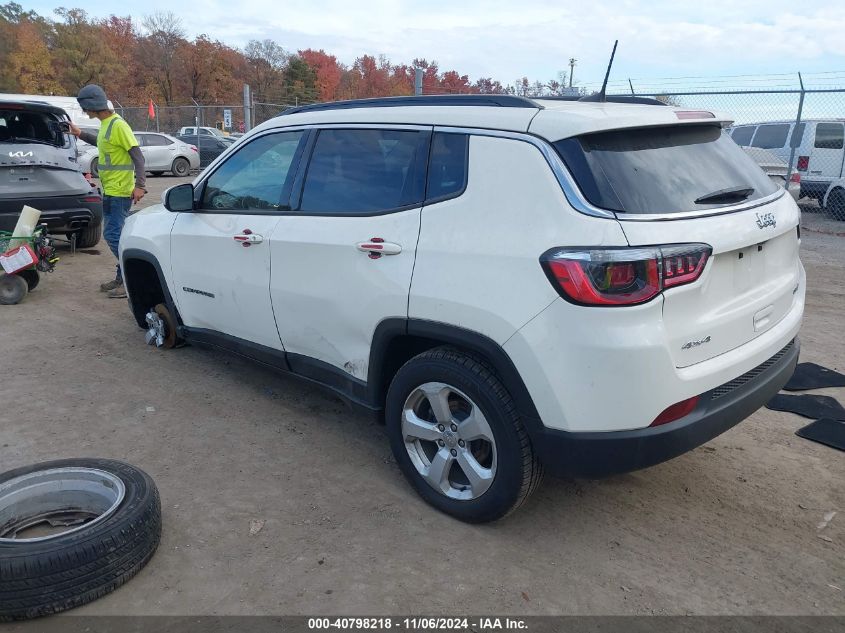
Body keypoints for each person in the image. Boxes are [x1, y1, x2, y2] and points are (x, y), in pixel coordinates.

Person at [68, 84, 146, 298]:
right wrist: (80, 133)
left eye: (85, 108)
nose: (85, 112)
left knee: (113, 235)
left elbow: (138, 157)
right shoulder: (106, 125)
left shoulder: (118, 125)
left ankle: (131, 281)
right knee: (117, 235)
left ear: (93, 105)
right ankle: (123, 277)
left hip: (121, 191)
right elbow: (101, 143)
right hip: (110, 189)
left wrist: (140, 186)